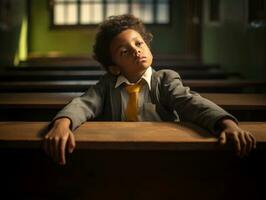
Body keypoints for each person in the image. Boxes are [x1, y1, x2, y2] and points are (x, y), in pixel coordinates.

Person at [43, 14, 256, 165]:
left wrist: (226, 124)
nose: (136, 51)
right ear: (114, 67)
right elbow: (83, 104)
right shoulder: (107, 85)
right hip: (118, 156)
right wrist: (63, 124)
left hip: (164, 155)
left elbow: (192, 103)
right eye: (125, 51)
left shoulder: (164, 80)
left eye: (139, 43)